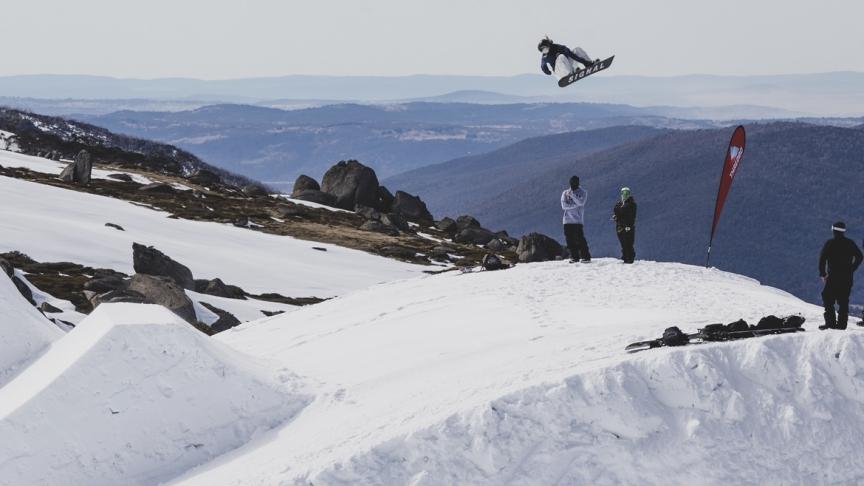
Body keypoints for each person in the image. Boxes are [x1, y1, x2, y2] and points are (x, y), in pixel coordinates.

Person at [818, 221, 863, 330]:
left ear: (833, 230)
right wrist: (852, 269)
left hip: (833, 276)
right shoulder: (850, 243)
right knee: (844, 300)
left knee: (827, 298)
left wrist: (823, 274)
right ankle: (842, 325)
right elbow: (860, 257)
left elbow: (822, 259)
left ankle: (831, 323)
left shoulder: (830, 243)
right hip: (847, 277)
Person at [561, 176, 591, 263]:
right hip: (567, 220)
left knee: (580, 239)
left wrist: (572, 195)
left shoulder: (583, 192)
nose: (573, 184)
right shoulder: (565, 192)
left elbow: (581, 203)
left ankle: (586, 257)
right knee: (570, 241)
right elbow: (564, 206)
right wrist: (574, 205)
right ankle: (575, 257)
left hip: (578, 220)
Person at [612, 187, 637, 263]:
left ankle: (629, 258)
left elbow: (626, 213)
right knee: (623, 242)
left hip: (628, 226)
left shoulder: (631, 204)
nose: (624, 195)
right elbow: (617, 210)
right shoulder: (620, 203)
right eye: (623, 193)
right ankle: (625, 256)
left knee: (628, 242)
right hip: (620, 226)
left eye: (626, 193)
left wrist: (629, 225)